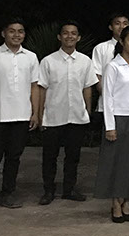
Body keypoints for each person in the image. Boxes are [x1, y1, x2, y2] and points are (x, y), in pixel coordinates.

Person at [0, 18, 40, 212]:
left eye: (20, 31)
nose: (16, 35)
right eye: (12, 31)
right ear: (4, 33)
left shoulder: (31, 57)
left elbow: (35, 86)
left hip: (21, 116)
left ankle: (8, 193)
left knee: (14, 157)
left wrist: (35, 113)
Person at [37, 20, 97, 206]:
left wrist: (87, 110)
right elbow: (42, 89)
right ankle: (48, 190)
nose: (69, 36)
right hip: (53, 116)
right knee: (50, 156)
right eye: (66, 33)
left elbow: (87, 87)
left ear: (78, 38)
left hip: (77, 116)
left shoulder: (85, 61)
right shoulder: (48, 61)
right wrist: (39, 114)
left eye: (73, 33)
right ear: (59, 36)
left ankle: (69, 189)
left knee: (73, 156)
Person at [94, 25, 129, 223]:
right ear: (122, 42)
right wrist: (110, 126)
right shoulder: (113, 66)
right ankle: (116, 202)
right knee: (116, 163)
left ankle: (127, 201)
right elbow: (107, 97)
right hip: (117, 119)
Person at [92, 12, 129, 115]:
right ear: (110, 27)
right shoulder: (101, 48)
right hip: (105, 107)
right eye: (117, 23)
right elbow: (97, 76)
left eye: (125, 23)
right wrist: (109, 99)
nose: (122, 26)